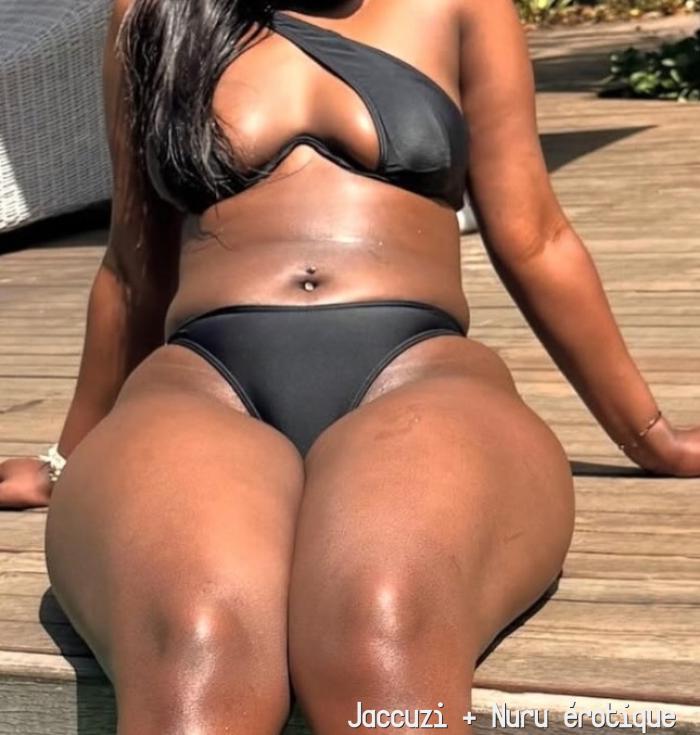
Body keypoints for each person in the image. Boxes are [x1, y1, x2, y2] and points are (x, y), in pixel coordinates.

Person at [1, 0, 699, 732]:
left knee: (380, 625)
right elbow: (131, 269)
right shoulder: (156, 10)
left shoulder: (461, 6)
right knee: (196, 639)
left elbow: (536, 238)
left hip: (415, 373)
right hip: (204, 382)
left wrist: (652, 436)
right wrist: (63, 461)